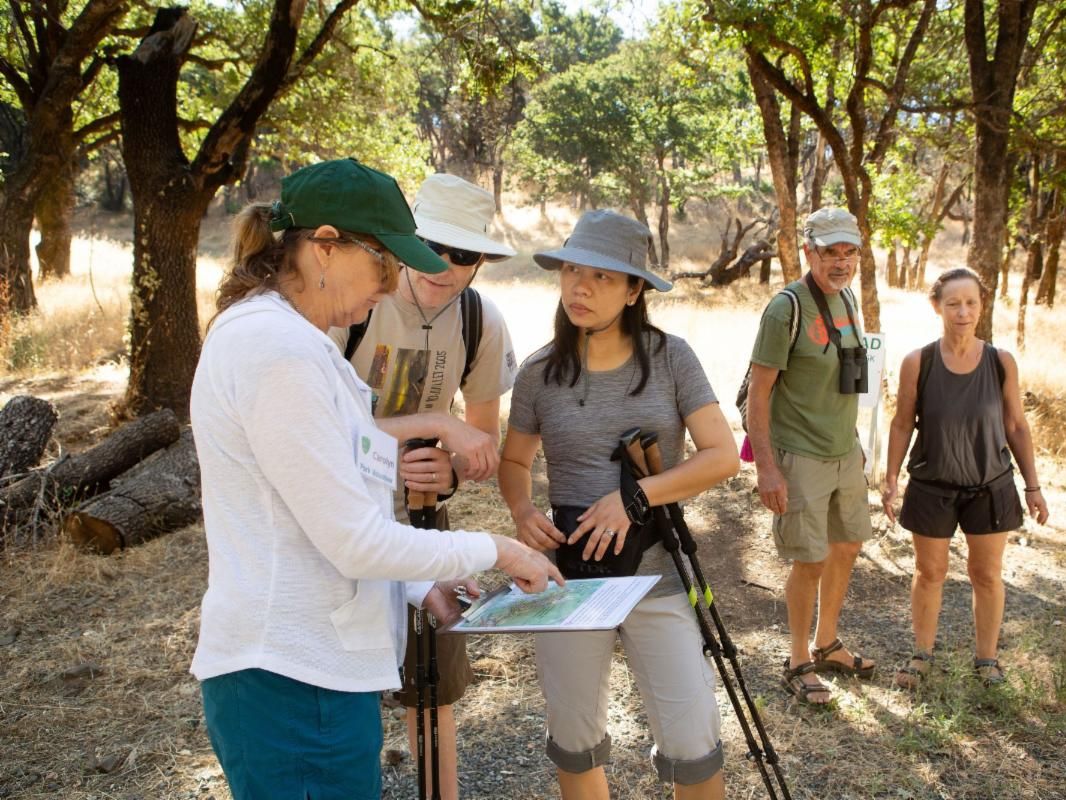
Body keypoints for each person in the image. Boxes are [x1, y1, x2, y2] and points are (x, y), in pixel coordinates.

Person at [189, 158, 562, 800]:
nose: (390, 288)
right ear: (326, 247)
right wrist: (498, 548)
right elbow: (353, 539)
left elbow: (334, 496)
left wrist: (420, 583)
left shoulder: (301, 345)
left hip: (323, 670)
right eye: (383, 264)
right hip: (291, 677)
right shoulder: (275, 351)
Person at [498, 209, 739, 800]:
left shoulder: (671, 358)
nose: (581, 287)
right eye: (572, 271)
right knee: (574, 738)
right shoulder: (538, 373)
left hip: (657, 570)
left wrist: (633, 497)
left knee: (693, 742)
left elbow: (722, 455)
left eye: (603, 277)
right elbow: (513, 462)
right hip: (569, 578)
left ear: (635, 290)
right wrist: (524, 512)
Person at [327, 173, 517, 800]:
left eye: (463, 254)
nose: (444, 266)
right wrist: (424, 430)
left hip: (422, 524)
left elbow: (481, 442)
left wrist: (452, 469)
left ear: (480, 261)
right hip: (336, 516)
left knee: (431, 685)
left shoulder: (480, 320)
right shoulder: (358, 302)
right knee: (335, 681)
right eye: (432, 245)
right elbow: (318, 423)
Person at [882, 267, 1049, 689]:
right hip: (932, 484)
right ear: (937, 306)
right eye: (953, 303)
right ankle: (921, 655)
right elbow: (902, 424)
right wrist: (890, 479)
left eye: (971, 302)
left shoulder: (1000, 361)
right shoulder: (918, 361)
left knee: (987, 574)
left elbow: (1016, 426)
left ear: (982, 305)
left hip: (990, 484)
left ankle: (987, 661)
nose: (963, 311)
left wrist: (1033, 486)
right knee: (929, 572)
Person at [746, 206, 876, 706]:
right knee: (810, 558)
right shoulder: (786, 308)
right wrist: (767, 468)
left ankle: (828, 643)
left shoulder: (846, 300)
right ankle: (798, 659)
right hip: (799, 455)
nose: (840, 263)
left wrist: (857, 444)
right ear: (809, 253)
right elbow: (759, 396)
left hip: (845, 452)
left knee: (846, 547)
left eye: (849, 253)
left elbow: (849, 377)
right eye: (829, 253)